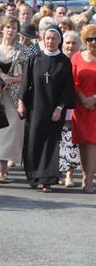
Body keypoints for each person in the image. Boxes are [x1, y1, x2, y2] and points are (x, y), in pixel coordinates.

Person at [18, 28, 76, 192]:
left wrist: (59, 108)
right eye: (48, 38)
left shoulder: (64, 61)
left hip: (55, 109)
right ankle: (34, 176)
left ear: (59, 41)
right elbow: (25, 82)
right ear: (44, 39)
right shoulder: (35, 58)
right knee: (34, 140)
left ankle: (47, 180)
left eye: (53, 39)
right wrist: (21, 103)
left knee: (51, 143)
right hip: (35, 107)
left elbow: (67, 88)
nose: (50, 42)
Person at [0, 16, 29, 183]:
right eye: (7, 27)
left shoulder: (23, 50)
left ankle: (3, 168)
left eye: (13, 27)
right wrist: (1, 76)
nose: (10, 30)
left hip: (15, 95)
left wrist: (12, 80)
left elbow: (27, 74)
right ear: (2, 29)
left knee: (11, 131)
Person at [71, 24, 96, 193]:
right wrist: (83, 98)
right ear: (84, 40)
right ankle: (84, 175)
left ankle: (89, 181)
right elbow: (73, 81)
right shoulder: (76, 57)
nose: (93, 42)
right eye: (90, 39)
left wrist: (93, 99)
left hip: (95, 105)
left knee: (93, 142)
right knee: (81, 143)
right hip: (80, 105)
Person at [59, 31, 82, 187]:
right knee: (59, 142)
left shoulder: (81, 59)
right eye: (67, 42)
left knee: (72, 142)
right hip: (57, 107)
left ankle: (70, 175)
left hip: (76, 108)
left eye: (74, 43)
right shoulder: (57, 59)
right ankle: (58, 172)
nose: (70, 46)